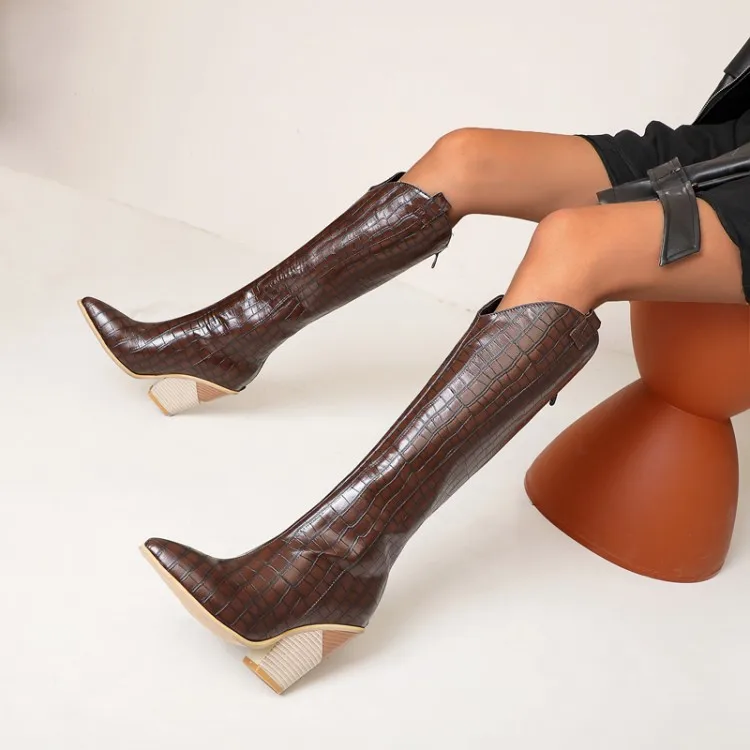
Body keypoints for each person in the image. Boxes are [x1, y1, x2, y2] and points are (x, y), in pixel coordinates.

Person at [79, 38, 750, 693]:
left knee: (575, 243)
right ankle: (222, 344)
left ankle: (334, 563)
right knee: (468, 154)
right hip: (733, 148)